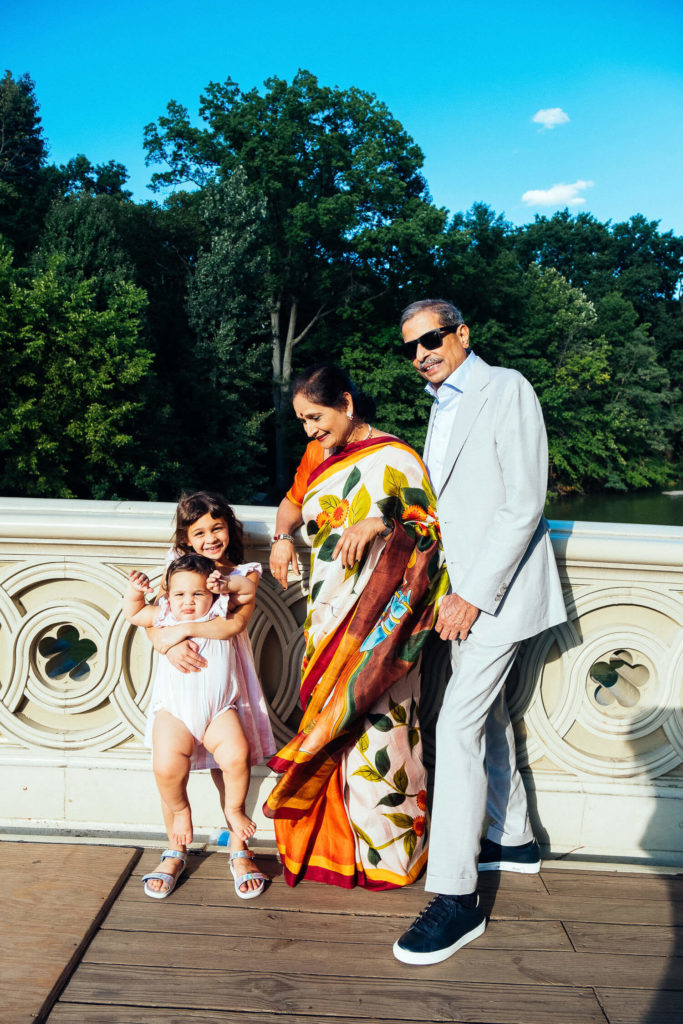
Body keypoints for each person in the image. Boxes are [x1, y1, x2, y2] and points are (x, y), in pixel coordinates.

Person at [393, 299, 567, 965]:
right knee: (485, 715)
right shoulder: (442, 404)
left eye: (430, 339)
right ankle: (514, 839)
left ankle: (455, 900)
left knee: (455, 726)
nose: (420, 354)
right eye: (411, 346)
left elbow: (524, 502)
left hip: (495, 594)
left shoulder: (507, 388)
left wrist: (469, 594)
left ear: (462, 335)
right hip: (460, 594)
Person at [266, 364, 448, 889]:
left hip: (385, 628)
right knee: (330, 724)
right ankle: (334, 847)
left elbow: (433, 528)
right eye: (302, 420)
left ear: (346, 403)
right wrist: (281, 539)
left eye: (315, 417)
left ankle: (391, 857)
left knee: (383, 733)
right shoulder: (316, 456)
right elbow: (292, 506)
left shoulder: (396, 457)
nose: (309, 430)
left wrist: (381, 522)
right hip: (329, 616)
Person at [125, 491, 275, 900]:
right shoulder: (177, 578)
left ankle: (238, 846)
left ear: (230, 529)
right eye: (200, 532)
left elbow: (232, 624)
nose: (211, 538)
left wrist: (185, 630)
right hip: (177, 695)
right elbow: (152, 622)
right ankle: (176, 844)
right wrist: (168, 642)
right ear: (186, 538)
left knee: (232, 761)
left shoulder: (240, 574)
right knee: (168, 766)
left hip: (226, 690)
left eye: (218, 528)